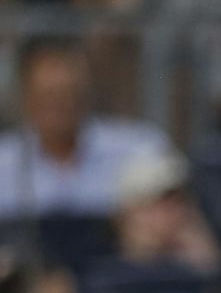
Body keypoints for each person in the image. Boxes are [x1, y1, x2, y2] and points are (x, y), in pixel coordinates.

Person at [0, 37, 168, 218]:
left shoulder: (139, 149)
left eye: (69, 93)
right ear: (26, 97)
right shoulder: (4, 163)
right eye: (49, 95)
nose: (61, 106)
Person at [111, 150, 221, 272]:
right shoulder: (103, 265)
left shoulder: (189, 246)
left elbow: (215, 278)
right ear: (134, 211)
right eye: (163, 202)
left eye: (180, 200)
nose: (177, 210)